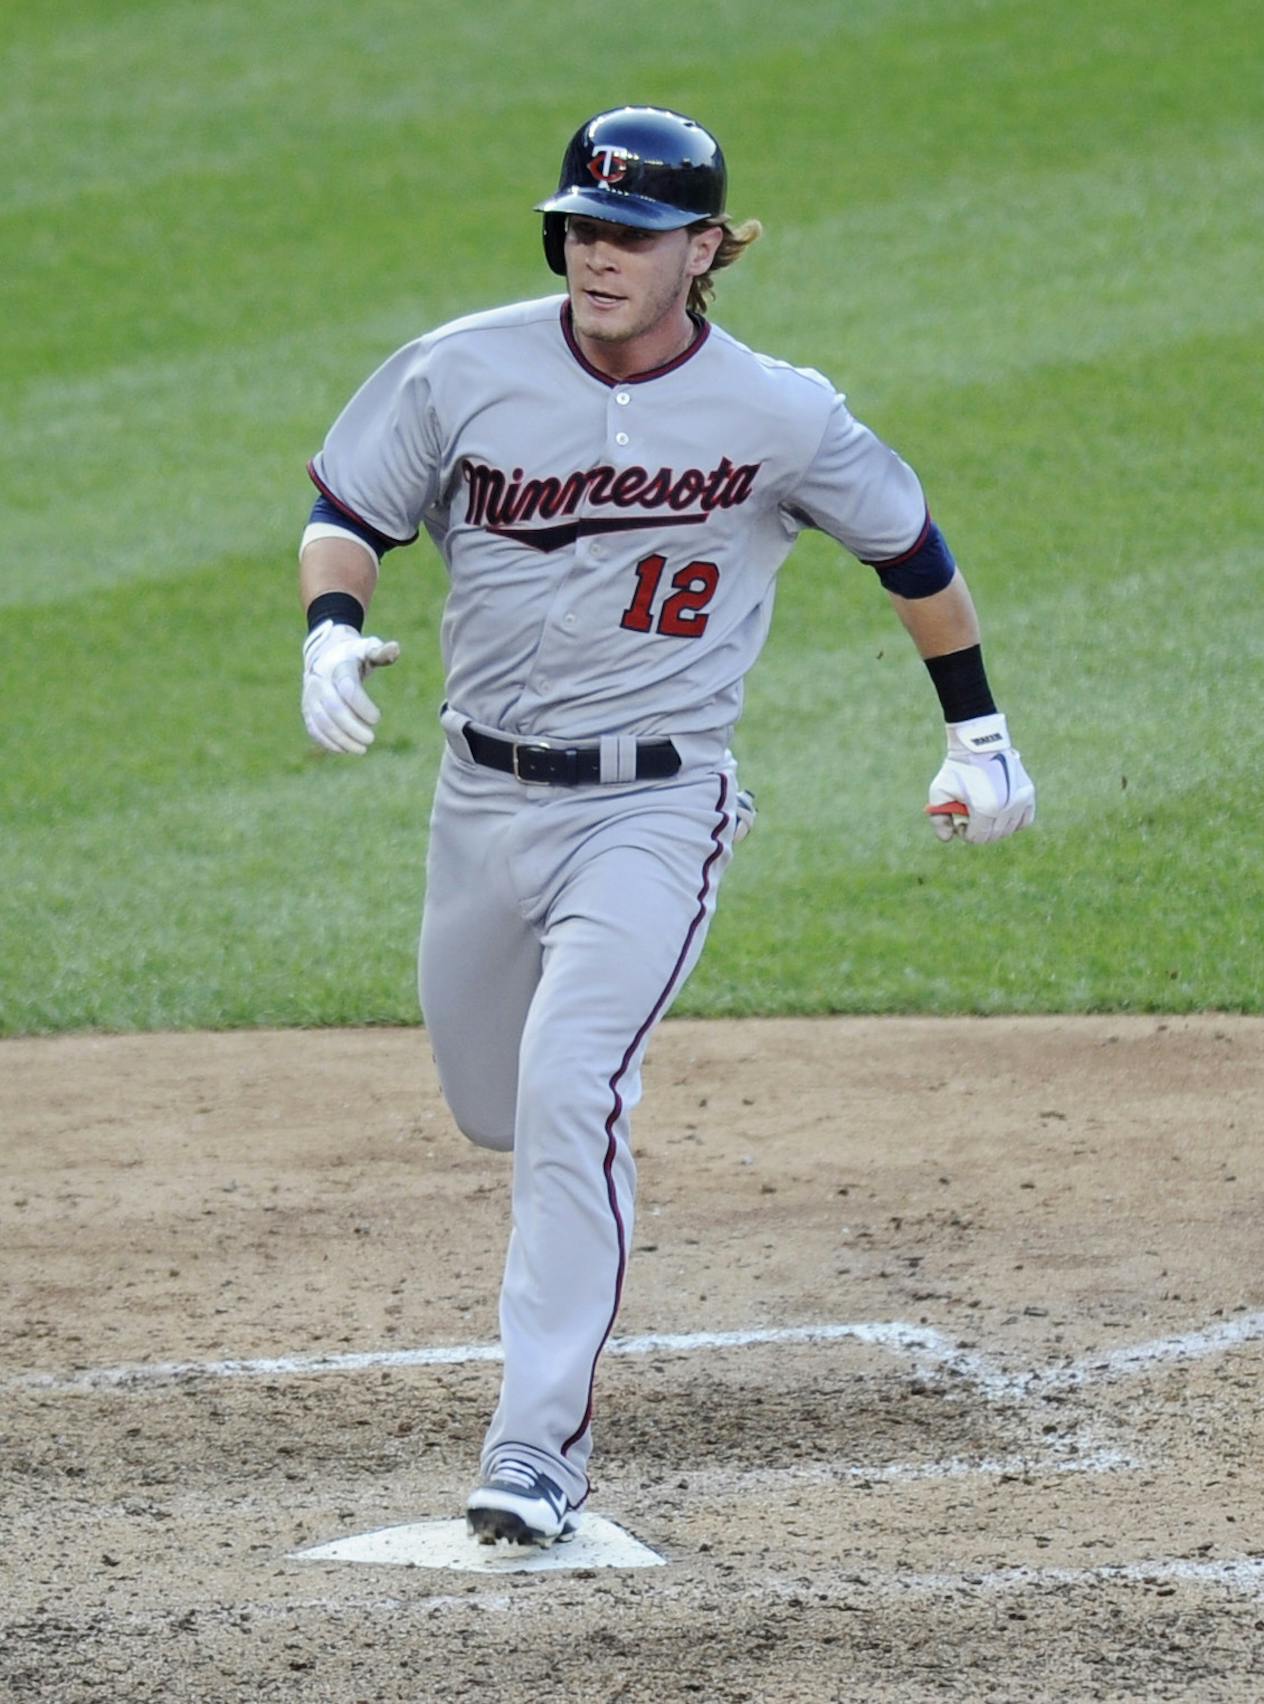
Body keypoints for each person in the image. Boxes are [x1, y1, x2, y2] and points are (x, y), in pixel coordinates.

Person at [297, 105, 1035, 1547]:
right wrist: (330, 629)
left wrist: (982, 734)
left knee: (575, 1088)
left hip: (656, 801)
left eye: (632, 235)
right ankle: (578, 1207)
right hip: (480, 797)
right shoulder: (462, 369)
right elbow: (349, 510)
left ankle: (537, 1449)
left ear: (704, 249)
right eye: (580, 227)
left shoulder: (778, 411)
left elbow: (911, 546)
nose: (597, 254)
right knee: (496, 1107)